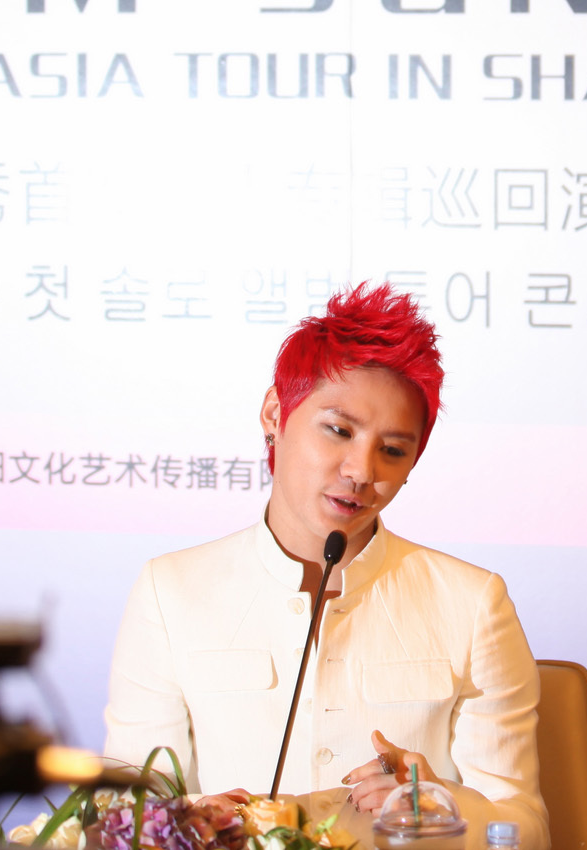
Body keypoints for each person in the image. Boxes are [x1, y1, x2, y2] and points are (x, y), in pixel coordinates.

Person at [103, 284, 548, 850]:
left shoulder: (473, 601)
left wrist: (440, 807)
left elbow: (527, 829)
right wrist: (190, 821)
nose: (361, 471)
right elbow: (127, 813)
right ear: (275, 413)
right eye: (339, 431)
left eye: (392, 450)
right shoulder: (170, 591)